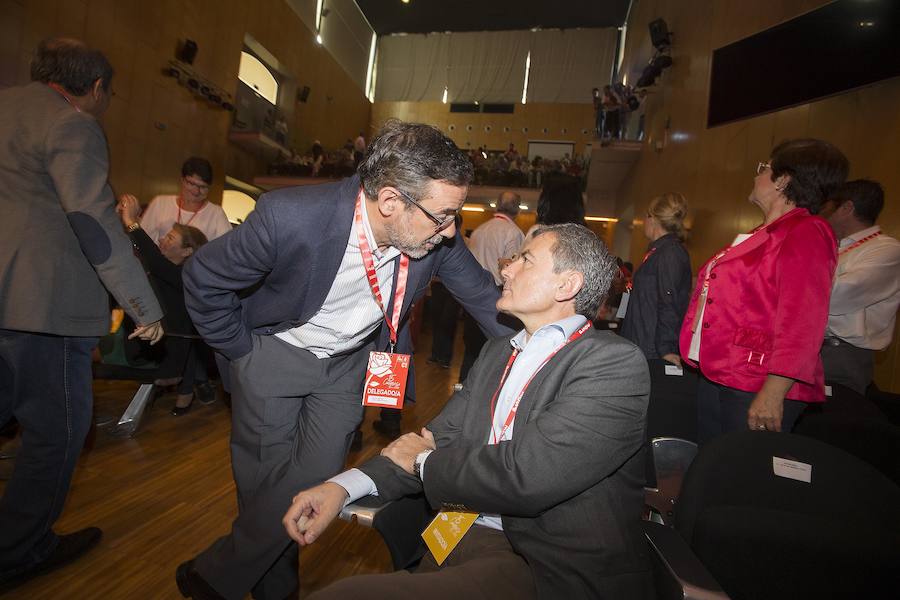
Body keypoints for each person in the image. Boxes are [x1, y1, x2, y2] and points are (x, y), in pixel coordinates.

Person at [177, 120, 514, 600]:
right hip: (275, 353)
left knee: (315, 481)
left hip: (347, 367)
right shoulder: (290, 216)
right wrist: (242, 352)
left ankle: (213, 573)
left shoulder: (434, 236)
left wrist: (553, 344)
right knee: (264, 487)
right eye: (443, 216)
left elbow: (485, 299)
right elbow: (204, 277)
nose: (450, 230)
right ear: (391, 201)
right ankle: (273, 591)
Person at [284, 224, 653, 599]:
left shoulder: (613, 364)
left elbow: (526, 476)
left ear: (566, 286)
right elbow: (433, 439)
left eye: (525, 260)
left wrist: (422, 462)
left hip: (545, 561)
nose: (506, 269)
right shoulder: (497, 352)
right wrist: (341, 487)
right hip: (464, 531)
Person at [0, 38, 163, 591]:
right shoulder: (72, 126)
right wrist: (142, 304)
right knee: (57, 432)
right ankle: (20, 549)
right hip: (41, 307)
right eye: (110, 93)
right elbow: (93, 223)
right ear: (95, 89)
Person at [679, 139, 848, 444]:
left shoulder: (806, 231)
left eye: (764, 168)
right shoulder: (762, 232)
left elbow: (803, 319)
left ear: (784, 180)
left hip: (757, 381)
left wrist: (774, 391)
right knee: (713, 469)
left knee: (741, 479)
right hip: (721, 371)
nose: (756, 175)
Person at [118, 195, 209, 415]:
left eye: (170, 238)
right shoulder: (167, 274)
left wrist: (131, 221)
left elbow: (154, 260)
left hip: (158, 352)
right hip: (151, 345)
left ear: (187, 251)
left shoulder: (183, 277)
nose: (162, 240)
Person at [818, 180, 900, 397]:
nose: (821, 217)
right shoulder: (832, 245)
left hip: (838, 354)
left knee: (822, 425)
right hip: (810, 346)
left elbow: (835, 296)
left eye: (826, 210)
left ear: (846, 208)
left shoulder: (887, 250)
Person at [460, 192, 525, 382]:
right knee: (496, 350)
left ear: (497, 205)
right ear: (518, 209)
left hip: (471, 295)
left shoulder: (480, 229)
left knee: (471, 349)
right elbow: (511, 269)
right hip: (496, 296)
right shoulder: (513, 233)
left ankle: (463, 387)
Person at [621, 192, 692, 367]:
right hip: (642, 343)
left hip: (652, 350)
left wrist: (666, 348)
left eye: (646, 216)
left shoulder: (670, 253)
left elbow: (669, 300)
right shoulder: (658, 252)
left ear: (653, 218)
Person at [126, 157, 232, 244]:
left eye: (203, 187)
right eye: (191, 184)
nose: (196, 191)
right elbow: (141, 238)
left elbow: (227, 247)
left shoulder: (216, 214)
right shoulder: (160, 203)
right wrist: (131, 221)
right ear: (182, 180)